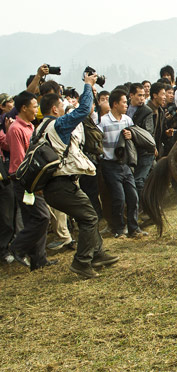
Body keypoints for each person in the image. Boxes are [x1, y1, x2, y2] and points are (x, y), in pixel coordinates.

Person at [39, 75, 120, 278]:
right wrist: (88, 85)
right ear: (55, 110)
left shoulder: (40, 128)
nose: (65, 106)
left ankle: (98, 254)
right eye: (61, 104)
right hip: (61, 184)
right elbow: (84, 110)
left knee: (88, 212)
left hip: (57, 185)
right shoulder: (58, 125)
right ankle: (82, 262)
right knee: (90, 217)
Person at [7, 91, 56, 271]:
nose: (37, 109)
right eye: (34, 106)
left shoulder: (29, 127)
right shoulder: (16, 129)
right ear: (24, 108)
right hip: (25, 182)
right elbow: (21, 162)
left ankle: (38, 259)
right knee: (42, 217)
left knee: (33, 219)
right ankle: (18, 247)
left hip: (31, 181)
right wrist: (34, 185)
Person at [98, 89, 147, 238]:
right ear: (115, 104)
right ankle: (119, 228)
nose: (126, 105)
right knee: (119, 198)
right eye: (124, 102)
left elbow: (133, 139)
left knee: (133, 196)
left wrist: (130, 135)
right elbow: (97, 141)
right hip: (109, 165)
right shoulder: (103, 121)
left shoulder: (127, 120)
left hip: (125, 164)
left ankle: (134, 227)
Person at [126, 83, 155, 200]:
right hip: (130, 152)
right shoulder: (125, 108)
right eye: (139, 95)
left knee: (139, 181)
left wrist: (132, 134)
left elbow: (148, 133)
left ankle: (145, 207)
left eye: (143, 95)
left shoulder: (147, 111)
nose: (142, 98)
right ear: (131, 95)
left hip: (145, 152)